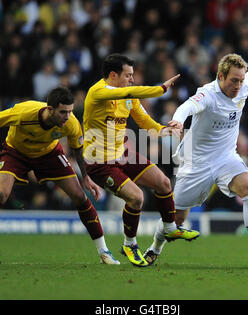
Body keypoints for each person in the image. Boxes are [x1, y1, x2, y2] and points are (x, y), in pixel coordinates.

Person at [0, 87, 120, 266]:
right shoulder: (23, 112)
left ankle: (104, 251)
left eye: (70, 111)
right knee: (0, 194)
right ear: (50, 109)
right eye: (63, 112)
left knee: (80, 196)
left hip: (49, 154)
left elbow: (78, 150)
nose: (67, 116)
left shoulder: (71, 123)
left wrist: (86, 177)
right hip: (16, 152)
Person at [145, 53, 248, 266]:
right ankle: (154, 248)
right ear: (221, 76)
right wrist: (176, 121)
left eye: (240, 80)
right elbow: (187, 107)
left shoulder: (244, 85)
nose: (239, 85)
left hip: (226, 157)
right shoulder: (207, 94)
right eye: (234, 80)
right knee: (176, 218)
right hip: (197, 162)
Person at [83, 53, 200, 267]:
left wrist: (162, 130)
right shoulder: (97, 92)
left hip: (122, 153)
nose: (132, 79)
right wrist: (161, 89)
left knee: (164, 183)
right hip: (98, 160)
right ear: (112, 75)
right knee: (136, 198)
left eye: (132, 75)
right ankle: (129, 244)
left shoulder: (128, 96)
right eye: (128, 75)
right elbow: (130, 90)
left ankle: (170, 227)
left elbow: (143, 119)